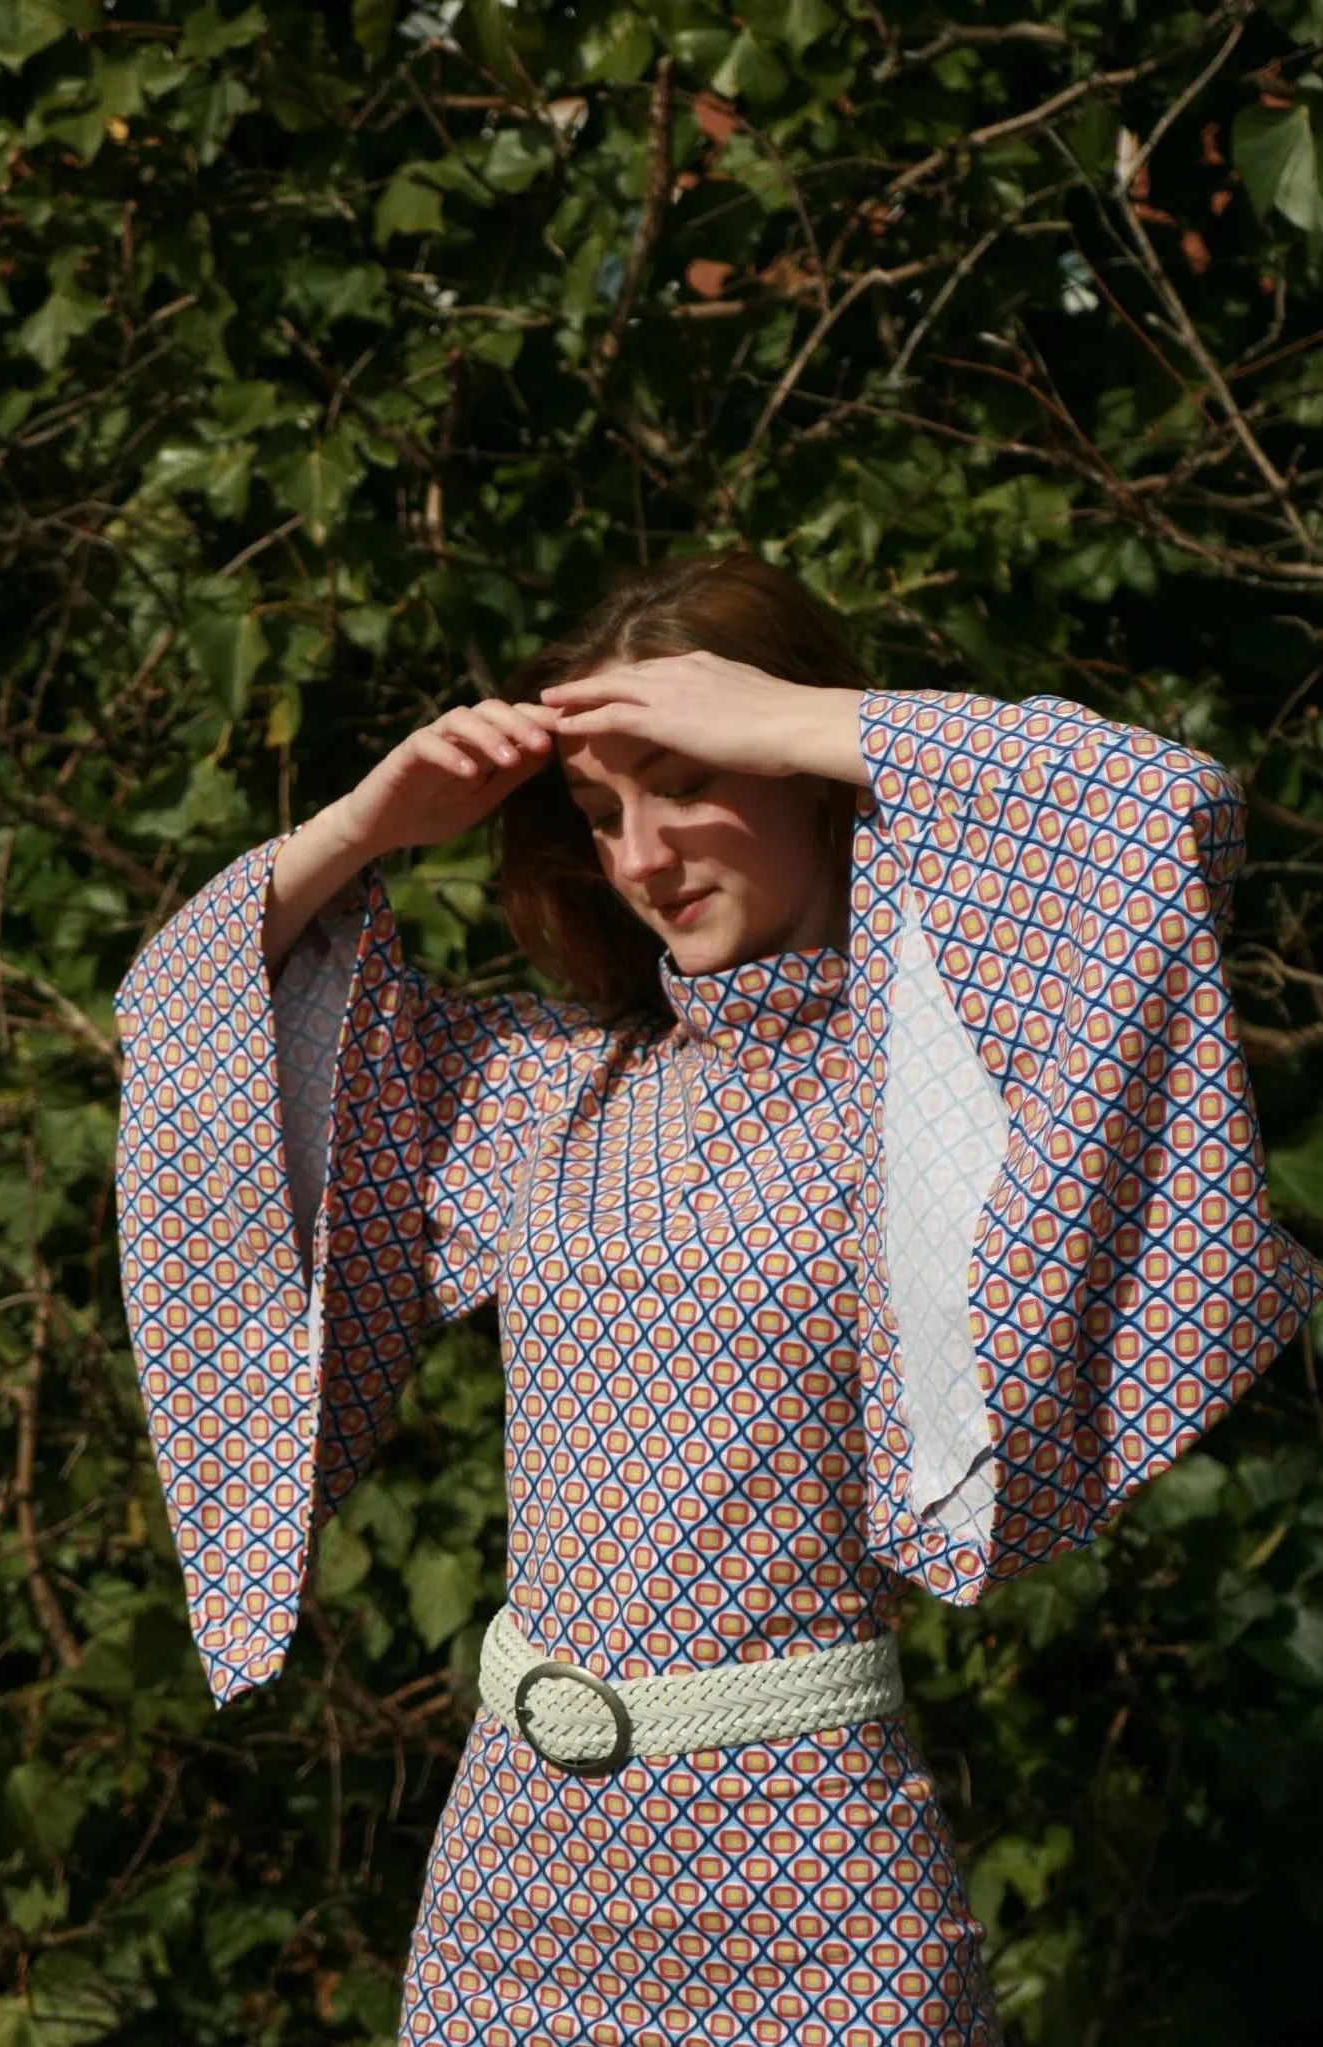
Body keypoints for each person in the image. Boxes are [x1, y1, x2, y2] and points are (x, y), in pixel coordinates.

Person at [113, 550, 1322, 2046]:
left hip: (823, 1882)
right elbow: (185, 1021)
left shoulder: (942, 1098)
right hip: (515, 1879)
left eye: (685, 784)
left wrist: (812, 720)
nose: (640, 857)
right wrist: (367, 823)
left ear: (799, 774)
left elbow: (1163, 813)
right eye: (598, 813)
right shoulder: (547, 1093)